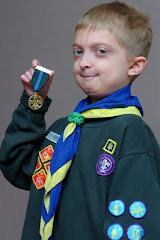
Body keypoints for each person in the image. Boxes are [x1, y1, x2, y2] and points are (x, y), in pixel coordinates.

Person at [0, 1, 160, 240]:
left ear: (135, 65)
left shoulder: (131, 133)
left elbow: (134, 228)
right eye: (78, 51)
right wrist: (33, 104)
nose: (84, 62)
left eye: (101, 51)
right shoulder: (63, 130)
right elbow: (17, 166)